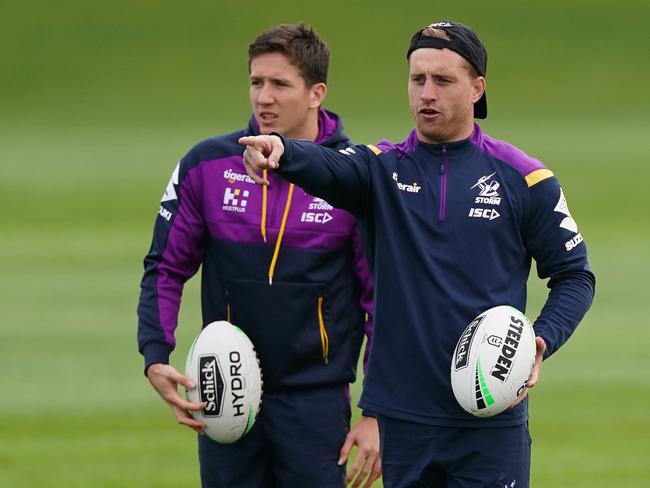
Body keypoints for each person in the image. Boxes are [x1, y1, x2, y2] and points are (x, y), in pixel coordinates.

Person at [240, 20, 595, 488]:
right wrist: (281, 150)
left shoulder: (525, 179)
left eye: (443, 80)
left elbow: (574, 276)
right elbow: (326, 165)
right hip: (404, 420)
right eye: (417, 79)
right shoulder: (379, 170)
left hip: (490, 419)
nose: (427, 93)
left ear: (476, 88)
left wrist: (539, 341)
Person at [137, 23, 381, 488]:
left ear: (316, 93)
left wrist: (375, 411)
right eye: (256, 82)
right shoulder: (205, 166)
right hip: (224, 390)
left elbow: (380, 302)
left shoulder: (353, 175)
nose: (263, 98)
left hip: (316, 402)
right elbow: (165, 268)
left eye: (280, 84)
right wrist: (155, 353)